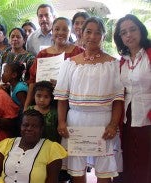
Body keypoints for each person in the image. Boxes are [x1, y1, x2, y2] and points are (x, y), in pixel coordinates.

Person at [54, 17, 124, 183]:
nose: (92, 36)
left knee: (104, 170)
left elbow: (118, 99)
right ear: (81, 33)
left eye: (98, 33)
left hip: (103, 122)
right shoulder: (70, 64)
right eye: (88, 32)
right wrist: (62, 122)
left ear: (103, 37)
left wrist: (113, 124)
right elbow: (62, 98)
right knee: (77, 169)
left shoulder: (113, 64)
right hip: (76, 122)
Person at [113, 14, 151, 183]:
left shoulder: (149, 54)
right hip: (127, 118)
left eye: (132, 29)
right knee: (128, 160)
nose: (129, 35)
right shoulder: (122, 61)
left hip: (148, 118)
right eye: (123, 32)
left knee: (146, 161)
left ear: (141, 30)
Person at [0, 109, 67, 183]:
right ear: (21, 127)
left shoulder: (52, 149)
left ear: (41, 129)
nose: (29, 129)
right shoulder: (7, 144)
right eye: (25, 125)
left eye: (34, 126)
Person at [24, 17, 84, 110]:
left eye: (65, 30)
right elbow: (32, 81)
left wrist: (62, 85)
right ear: (52, 31)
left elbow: (83, 80)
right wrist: (26, 106)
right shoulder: (43, 54)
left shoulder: (79, 52)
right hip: (45, 105)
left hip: (71, 105)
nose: (60, 32)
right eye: (57, 29)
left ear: (70, 32)